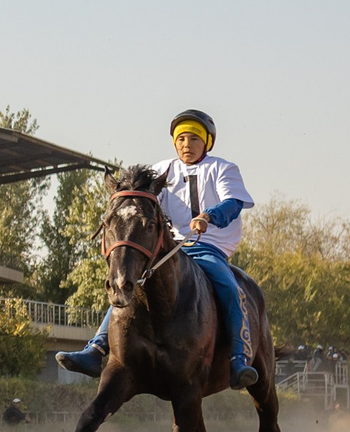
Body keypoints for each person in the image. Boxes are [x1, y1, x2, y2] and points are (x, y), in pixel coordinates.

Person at [56, 107, 260, 388]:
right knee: (127, 283)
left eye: (193, 139)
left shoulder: (222, 168)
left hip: (208, 248)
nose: (186, 145)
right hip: (168, 250)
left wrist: (209, 217)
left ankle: (238, 361)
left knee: (229, 289)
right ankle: (96, 350)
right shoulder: (162, 170)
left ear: (207, 142)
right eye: (181, 139)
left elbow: (234, 204)